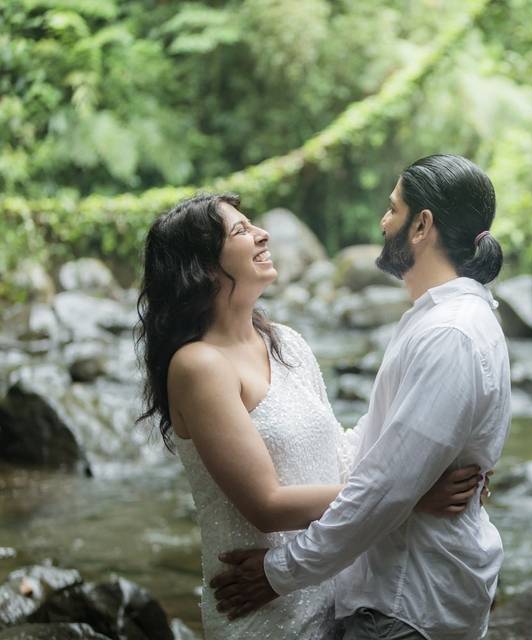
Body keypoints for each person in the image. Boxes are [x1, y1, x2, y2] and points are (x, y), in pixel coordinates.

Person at [135, 192, 483, 639]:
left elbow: (340, 455)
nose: (262, 234)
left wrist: (435, 454)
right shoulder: (199, 366)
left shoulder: (286, 342)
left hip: (328, 586)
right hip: (259, 603)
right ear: (201, 267)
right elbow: (267, 506)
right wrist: (410, 497)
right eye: (241, 231)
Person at [211, 154, 512, 640]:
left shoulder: (450, 333)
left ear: (422, 226)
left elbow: (386, 489)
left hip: (405, 604)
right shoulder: (435, 319)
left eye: (393, 209)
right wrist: (412, 492)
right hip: (396, 598)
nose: (383, 222)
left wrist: (278, 573)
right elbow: (378, 458)